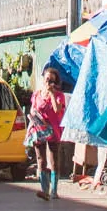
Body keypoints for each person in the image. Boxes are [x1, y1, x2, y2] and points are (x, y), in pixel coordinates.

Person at [29, 66, 68, 201]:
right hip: (39, 129)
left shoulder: (59, 96)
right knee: (41, 160)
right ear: (43, 79)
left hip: (53, 130)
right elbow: (33, 109)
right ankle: (44, 190)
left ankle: (54, 191)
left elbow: (57, 110)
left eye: (51, 80)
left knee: (53, 161)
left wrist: (51, 93)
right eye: (47, 79)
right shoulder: (37, 94)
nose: (48, 83)